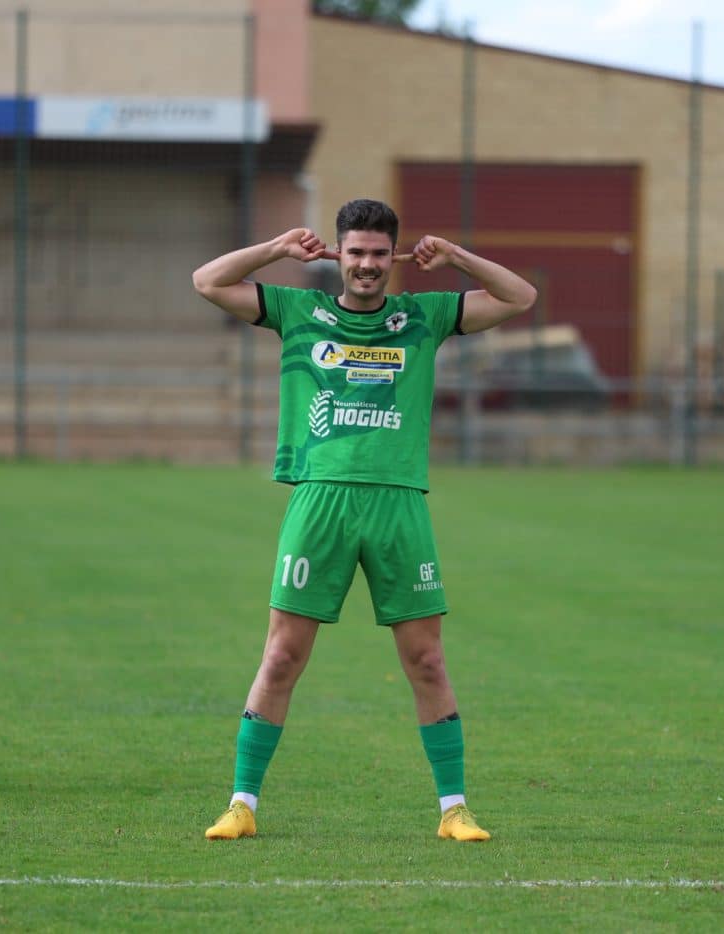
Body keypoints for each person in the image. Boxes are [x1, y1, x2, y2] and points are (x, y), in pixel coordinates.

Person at [191, 198, 537, 841]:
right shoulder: (299, 311)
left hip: (398, 502)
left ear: (395, 257)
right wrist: (276, 250)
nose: (368, 265)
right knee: (282, 655)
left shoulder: (423, 317)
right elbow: (207, 281)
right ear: (338, 256)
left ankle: (454, 810)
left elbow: (519, 297)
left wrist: (456, 257)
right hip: (319, 499)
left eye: (380, 254)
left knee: (427, 660)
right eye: (356, 253)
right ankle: (242, 805)